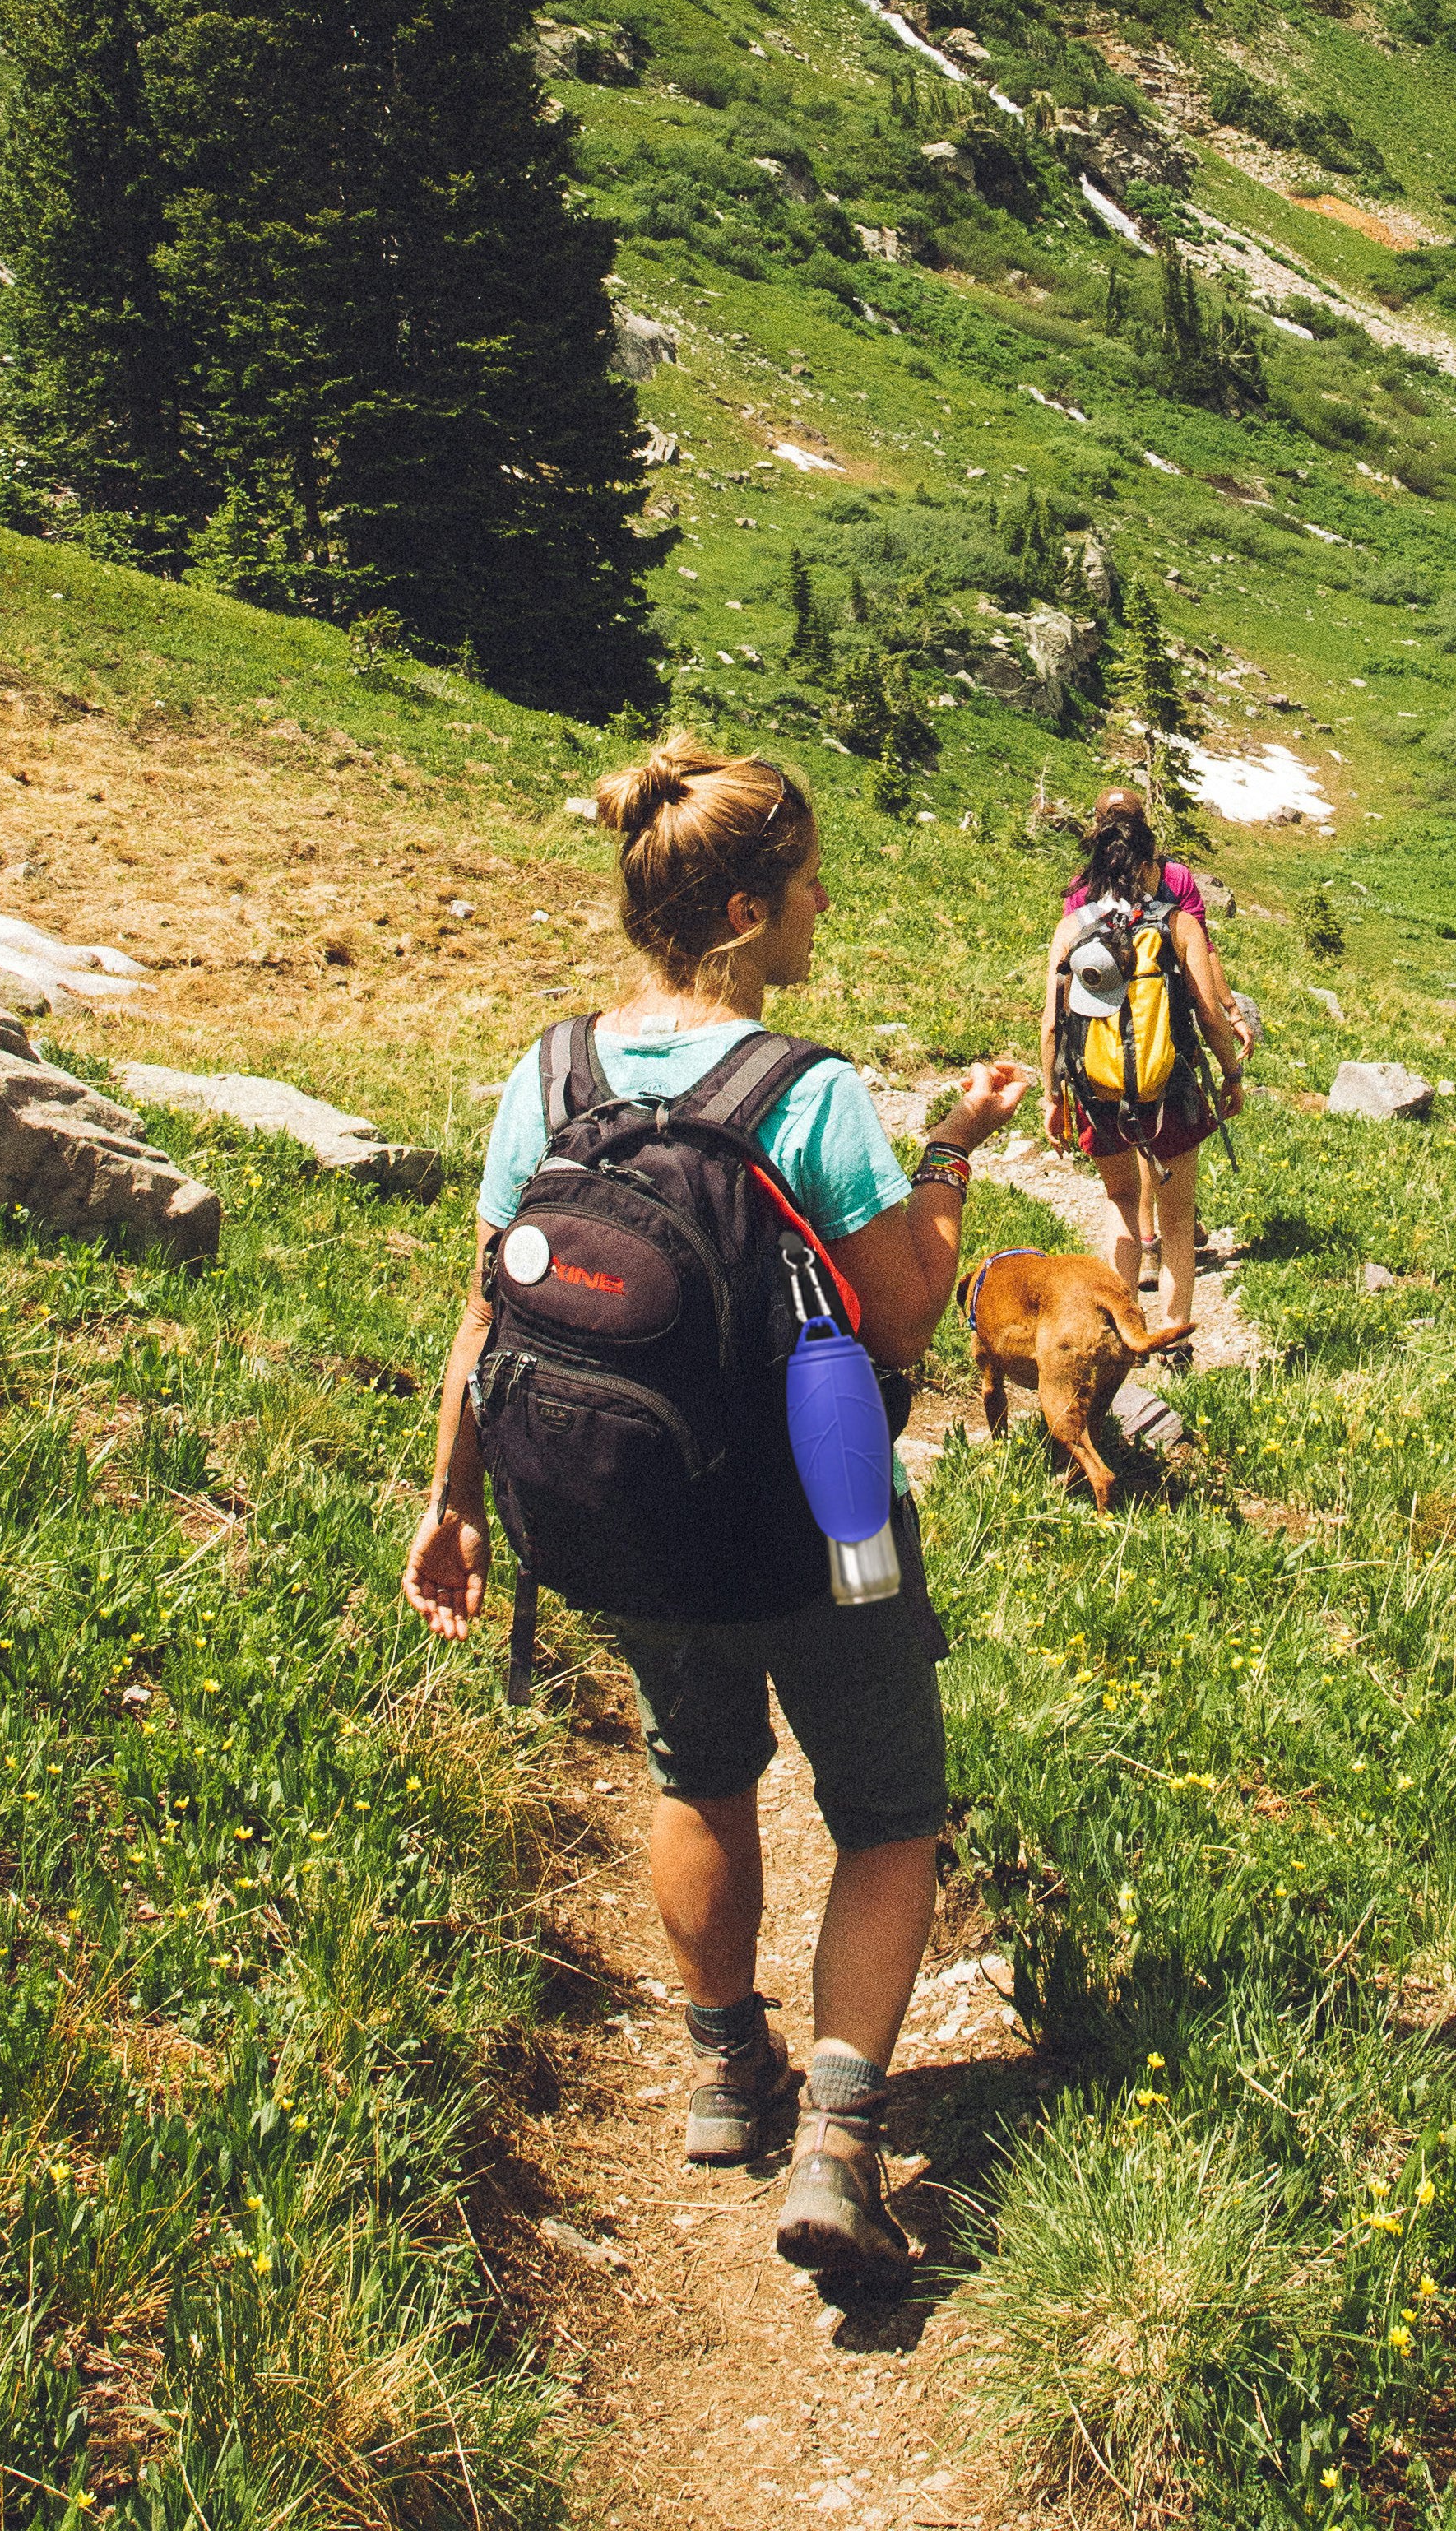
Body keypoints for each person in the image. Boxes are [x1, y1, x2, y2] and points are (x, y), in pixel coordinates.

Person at [403, 737, 1027, 2283]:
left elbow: (490, 1303)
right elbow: (900, 1318)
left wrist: (451, 1502)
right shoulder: (804, 1093)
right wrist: (948, 1151)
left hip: (622, 1509)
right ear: (747, 908)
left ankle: (717, 2062)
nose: (825, 906)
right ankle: (836, 2133)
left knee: (698, 1767)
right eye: (810, 882)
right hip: (819, 1518)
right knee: (887, 1814)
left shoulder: (548, 1072)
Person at [1040, 787, 1248, 1340]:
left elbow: (1052, 1027)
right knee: (1178, 1222)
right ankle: (1175, 1339)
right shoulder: (1177, 924)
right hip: (1170, 1086)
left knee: (1121, 1203)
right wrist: (1231, 1075)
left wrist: (1051, 1099)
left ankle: (1120, 1333)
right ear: (1151, 860)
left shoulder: (1071, 926)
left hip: (1096, 1091)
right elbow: (1209, 1016)